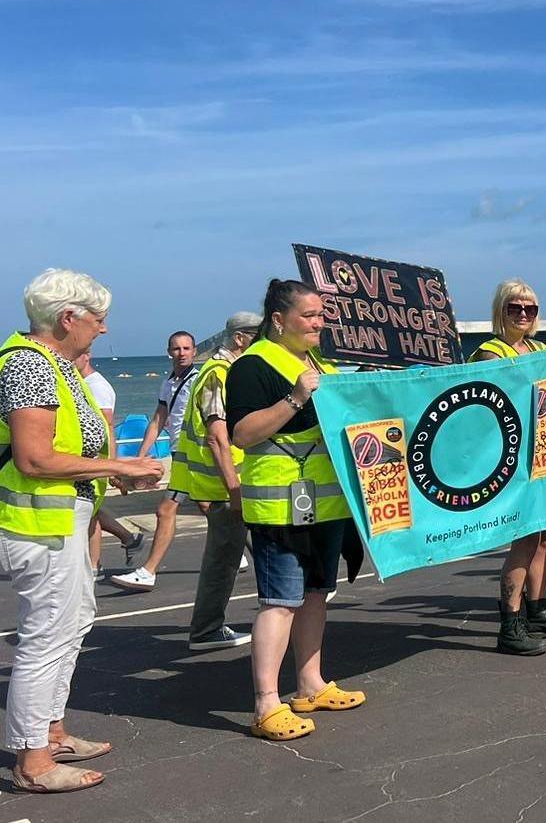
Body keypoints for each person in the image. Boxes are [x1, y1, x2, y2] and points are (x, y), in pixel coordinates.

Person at [0, 269, 164, 793]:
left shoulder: (55, 364)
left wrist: (108, 467)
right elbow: (34, 457)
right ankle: (33, 761)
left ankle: (51, 732)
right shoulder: (29, 366)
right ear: (67, 318)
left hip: (62, 519)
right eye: (98, 320)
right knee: (45, 636)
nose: (104, 330)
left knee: (69, 626)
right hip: (40, 522)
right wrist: (120, 469)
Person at [228, 279, 366, 741]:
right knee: (280, 602)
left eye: (322, 315)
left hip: (322, 504)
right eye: (310, 315)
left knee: (315, 595)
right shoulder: (253, 366)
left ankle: (311, 683)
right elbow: (242, 434)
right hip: (279, 508)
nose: (319, 323)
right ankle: (266, 704)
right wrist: (295, 398)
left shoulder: (318, 362)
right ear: (279, 319)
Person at [473, 279, 546, 655]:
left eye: (530, 309)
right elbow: (501, 390)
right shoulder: (489, 352)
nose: (523, 314)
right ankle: (510, 621)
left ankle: (538, 607)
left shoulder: (538, 347)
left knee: (545, 534)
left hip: (545, 451)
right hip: (511, 458)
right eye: (514, 308)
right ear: (500, 310)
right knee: (523, 537)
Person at [169, 312, 260, 650]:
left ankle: (279, 610)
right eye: (257, 335)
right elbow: (216, 437)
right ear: (240, 338)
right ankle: (206, 630)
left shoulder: (224, 372)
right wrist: (234, 488)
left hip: (229, 483)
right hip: (225, 487)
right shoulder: (219, 374)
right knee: (223, 560)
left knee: (257, 550)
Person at [108, 330, 198, 592]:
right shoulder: (168, 382)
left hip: (192, 451)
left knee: (165, 510)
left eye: (186, 348)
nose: (181, 353)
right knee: (212, 508)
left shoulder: (197, 379)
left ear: (193, 351)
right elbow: (158, 418)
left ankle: (148, 571)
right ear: (169, 351)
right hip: (178, 451)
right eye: (176, 348)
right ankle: (238, 554)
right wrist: (142, 455)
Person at [73, 349, 144, 577]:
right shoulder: (82, 382)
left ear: (87, 356)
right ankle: (127, 539)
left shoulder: (97, 386)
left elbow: (107, 427)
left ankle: (94, 566)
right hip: (89, 461)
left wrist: (111, 464)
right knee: (90, 510)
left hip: (96, 461)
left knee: (90, 513)